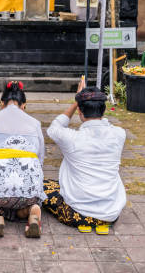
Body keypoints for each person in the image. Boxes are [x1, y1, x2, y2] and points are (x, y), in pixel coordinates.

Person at [44, 79, 126, 235]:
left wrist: (76, 101)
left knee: (41, 185)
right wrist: (83, 99)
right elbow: (106, 125)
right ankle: (100, 223)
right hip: (110, 215)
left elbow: (54, 128)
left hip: (76, 215)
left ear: (80, 112)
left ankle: (85, 220)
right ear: (104, 109)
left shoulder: (71, 138)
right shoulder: (119, 134)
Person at [0, 81, 46, 238]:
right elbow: (40, 159)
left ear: (1, 103)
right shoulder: (35, 123)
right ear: (24, 105)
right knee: (31, 201)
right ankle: (32, 211)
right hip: (29, 191)